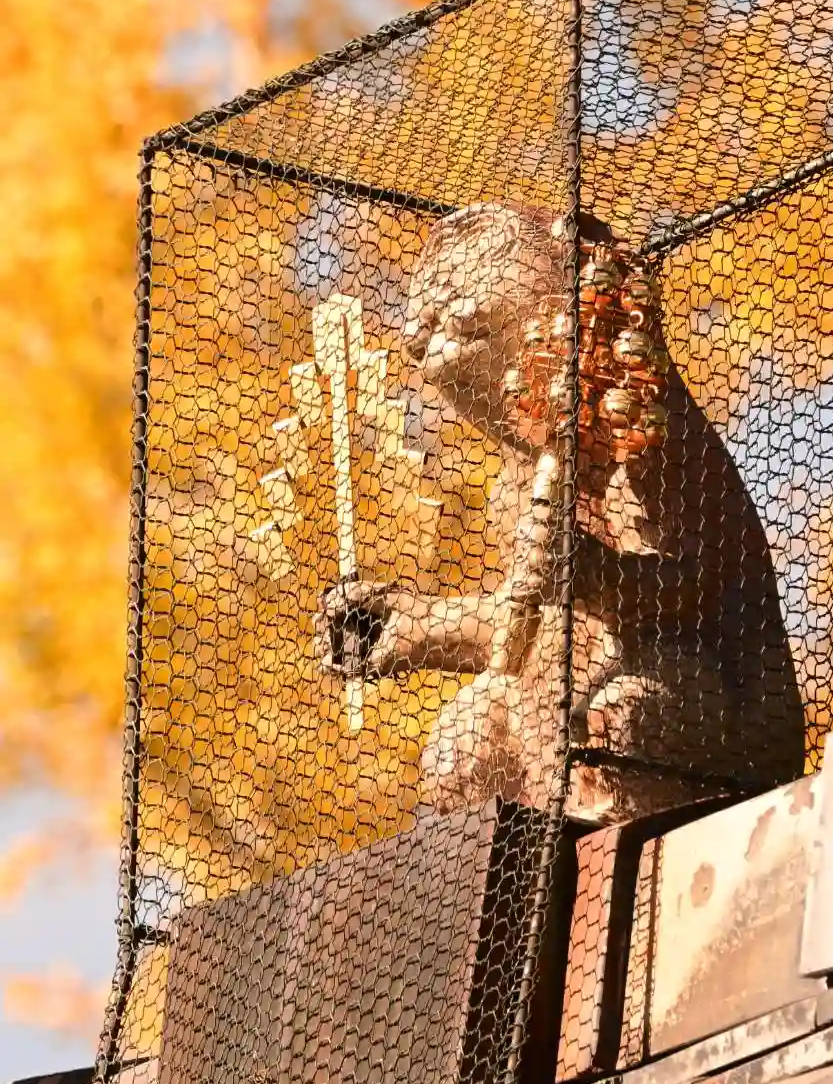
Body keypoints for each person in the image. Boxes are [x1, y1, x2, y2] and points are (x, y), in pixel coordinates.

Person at [319, 203, 804, 821]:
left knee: (626, 713)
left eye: (463, 323)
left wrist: (595, 572)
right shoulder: (520, 480)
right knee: (461, 739)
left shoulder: (647, 437)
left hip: (705, 703)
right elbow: (529, 619)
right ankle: (515, 866)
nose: (436, 344)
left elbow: (701, 588)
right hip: (560, 725)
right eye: (426, 338)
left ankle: (612, 855)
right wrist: (421, 625)